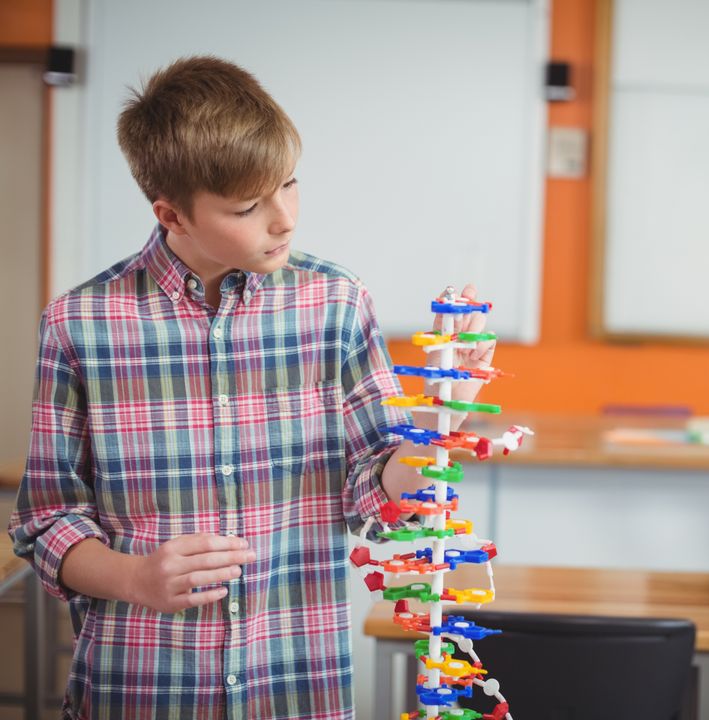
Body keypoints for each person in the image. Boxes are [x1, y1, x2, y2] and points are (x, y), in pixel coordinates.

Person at [7, 55, 493, 719]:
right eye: (247, 206)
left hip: (295, 688)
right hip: (139, 688)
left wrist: (437, 423)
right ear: (172, 214)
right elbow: (47, 521)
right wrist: (133, 578)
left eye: (289, 185)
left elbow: (379, 494)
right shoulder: (80, 325)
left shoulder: (337, 305)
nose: (284, 218)